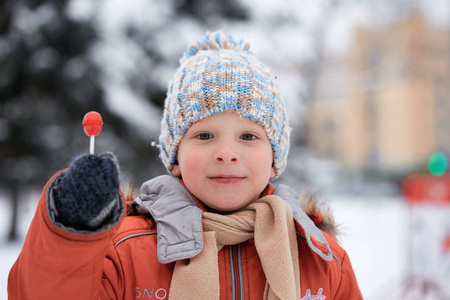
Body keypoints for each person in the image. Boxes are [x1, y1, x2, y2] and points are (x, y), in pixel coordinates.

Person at [8, 31, 363, 300]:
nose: (226, 153)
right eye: (205, 136)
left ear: (275, 159)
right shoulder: (126, 250)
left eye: (249, 137)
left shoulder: (320, 257)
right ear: (175, 158)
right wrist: (71, 231)